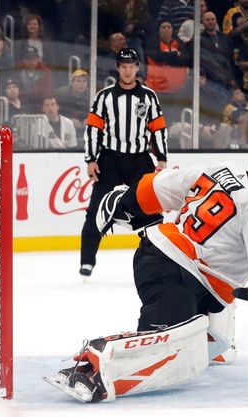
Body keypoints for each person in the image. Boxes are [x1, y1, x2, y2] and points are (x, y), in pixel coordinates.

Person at [48, 147, 248, 402]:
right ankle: (96, 363)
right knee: (176, 349)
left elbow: (158, 187)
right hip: (176, 271)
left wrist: (126, 200)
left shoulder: (221, 169)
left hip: (163, 259)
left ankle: (211, 342)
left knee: (218, 316)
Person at [79, 48, 168, 279]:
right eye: (123, 66)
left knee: (152, 211)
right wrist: (90, 159)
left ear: (137, 67)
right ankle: (86, 262)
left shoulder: (149, 96)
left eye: (131, 66)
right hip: (110, 159)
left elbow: (158, 128)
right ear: (118, 68)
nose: (127, 70)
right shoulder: (104, 96)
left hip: (139, 159)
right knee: (95, 209)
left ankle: (157, 259)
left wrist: (161, 159)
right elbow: (93, 129)